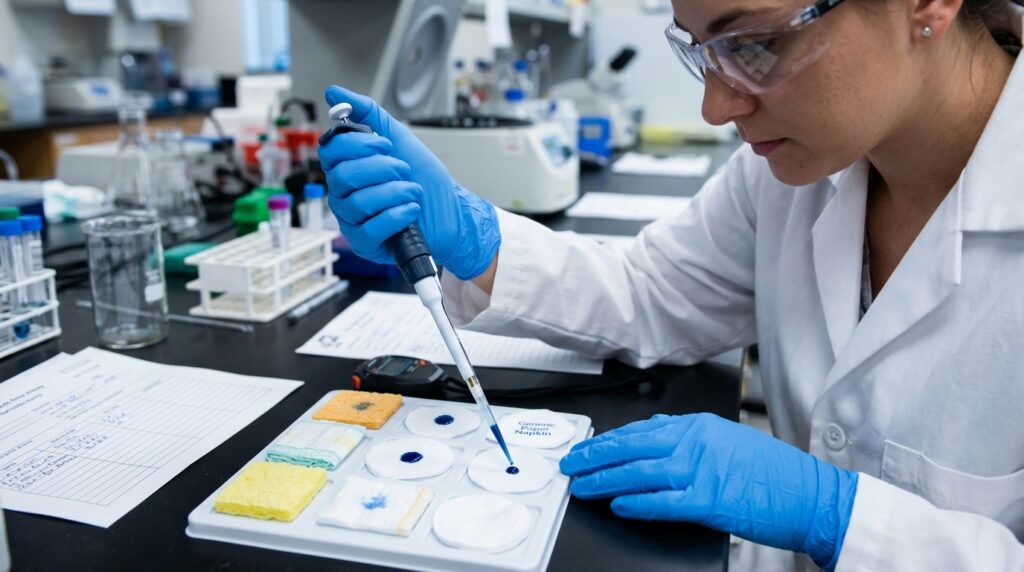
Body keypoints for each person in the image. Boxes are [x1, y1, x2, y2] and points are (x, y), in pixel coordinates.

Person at [317, 0, 1024, 568]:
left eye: (755, 44)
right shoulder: (791, 173)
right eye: (699, 50)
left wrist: (837, 516)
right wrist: (474, 238)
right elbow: (655, 292)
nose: (715, 109)